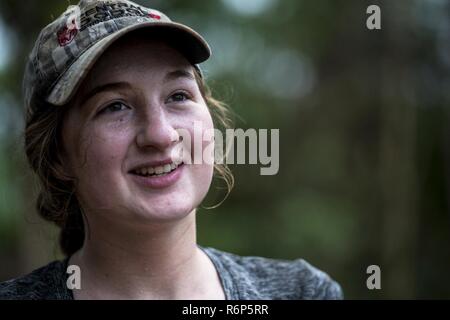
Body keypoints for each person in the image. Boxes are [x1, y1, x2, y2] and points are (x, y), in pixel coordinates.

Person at [0, 0, 343, 300]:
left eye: (178, 96)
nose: (161, 135)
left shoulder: (301, 292)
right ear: (58, 156)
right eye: (114, 106)